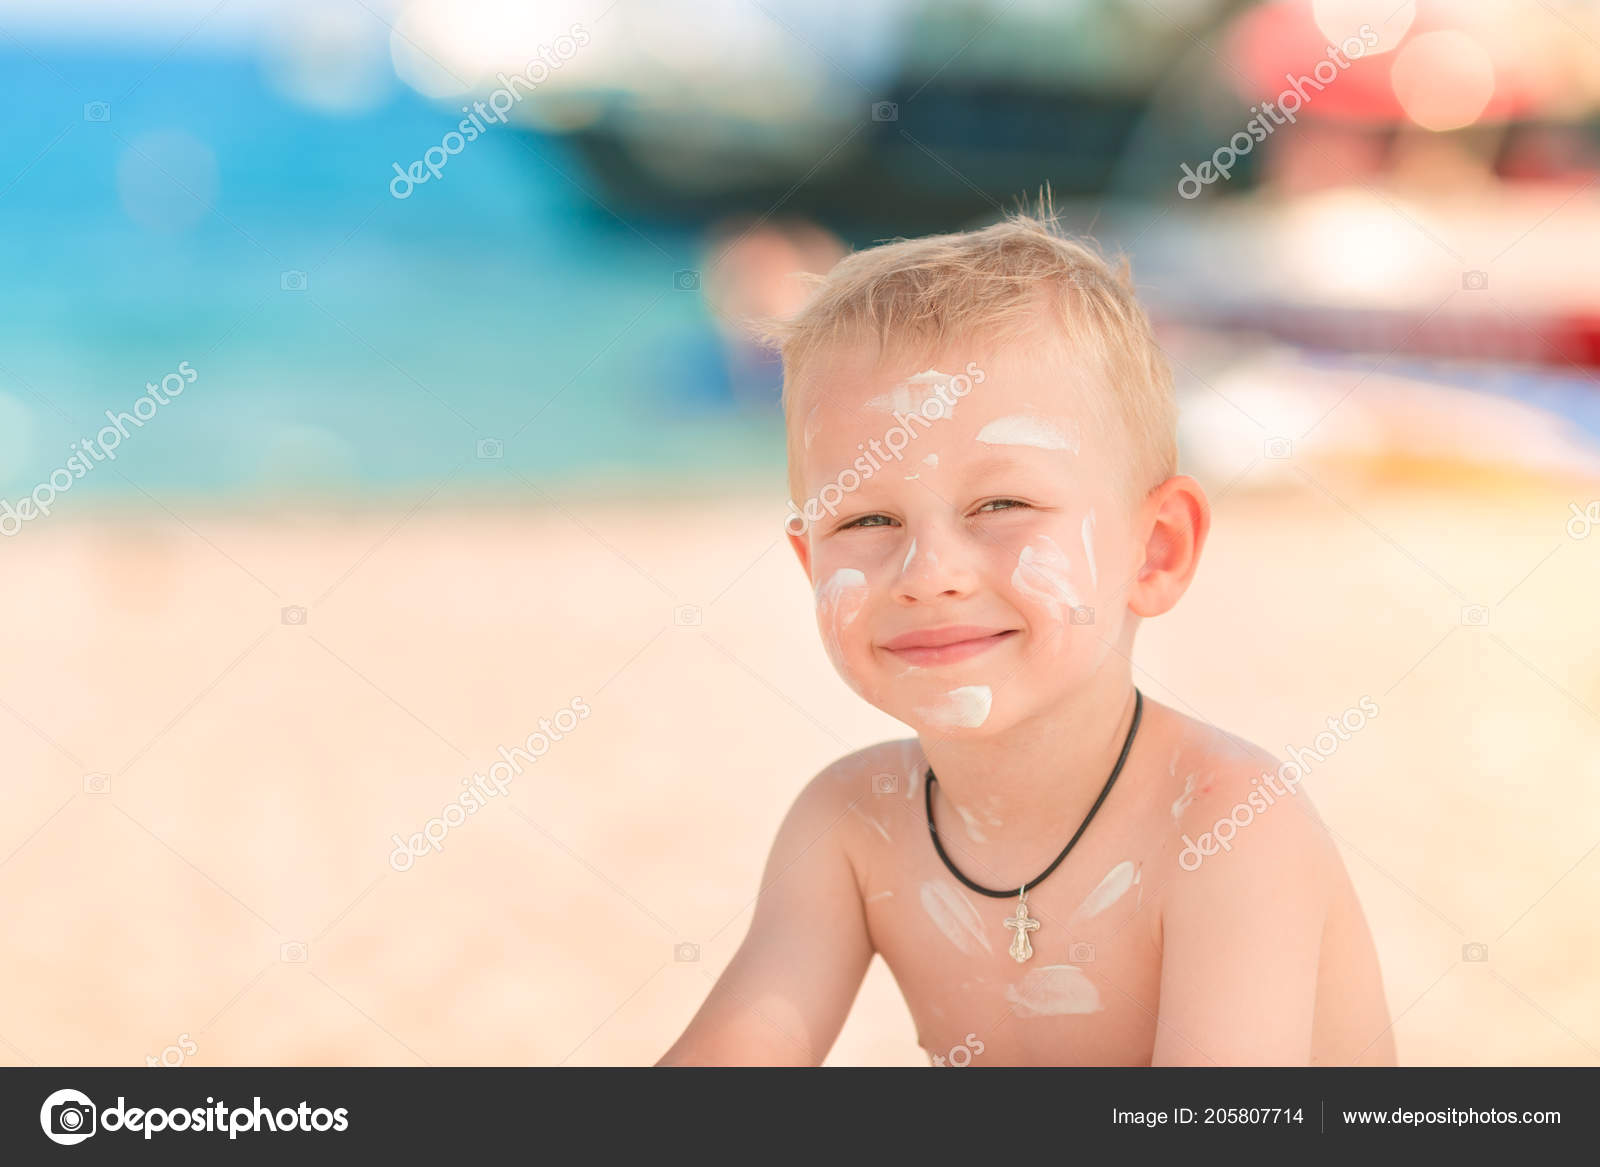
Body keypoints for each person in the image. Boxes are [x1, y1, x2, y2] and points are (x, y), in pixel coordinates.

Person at [657, 208, 1393, 1066]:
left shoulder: (1230, 825)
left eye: (1000, 505)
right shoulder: (851, 826)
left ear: (1156, 550)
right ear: (808, 561)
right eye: (864, 516)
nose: (929, 571)